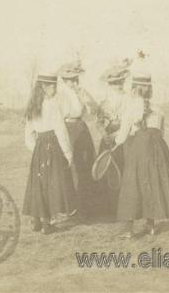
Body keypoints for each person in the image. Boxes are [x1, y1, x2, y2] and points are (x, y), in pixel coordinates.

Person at [114, 72, 169, 238]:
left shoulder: (131, 107)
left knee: (132, 184)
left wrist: (114, 141)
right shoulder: (158, 108)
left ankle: (128, 230)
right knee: (153, 182)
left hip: (140, 147)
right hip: (158, 148)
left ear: (134, 89)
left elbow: (121, 137)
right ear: (150, 89)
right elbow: (161, 131)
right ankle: (150, 225)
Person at [22, 72, 77, 234]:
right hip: (53, 145)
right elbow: (61, 130)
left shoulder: (33, 105)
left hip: (40, 147)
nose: (55, 88)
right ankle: (46, 224)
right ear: (44, 87)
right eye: (53, 86)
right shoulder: (52, 105)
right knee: (51, 184)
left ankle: (37, 221)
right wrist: (68, 153)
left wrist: (35, 149)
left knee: (38, 184)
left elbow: (28, 133)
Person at [58, 62, 97, 220]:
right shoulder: (60, 95)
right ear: (64, 81)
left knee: (85, 164)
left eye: (75, 79)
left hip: (81, 128)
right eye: (70, 80)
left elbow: (93, 110)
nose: (74, 83)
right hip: (67, 128)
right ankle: (71, 206)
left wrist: (86, 99)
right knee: (71, 166)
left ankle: (86, 204)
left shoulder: (82, 92)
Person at [95, 66, 129, 219]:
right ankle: (109, 208)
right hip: (109, 140)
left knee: (126, 170)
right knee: (108, 172)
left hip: (125, 138)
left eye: (120, 81)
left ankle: (127, 206)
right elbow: (99, 123)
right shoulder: (104, 103)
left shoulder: (130, 100)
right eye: (115, 83)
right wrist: (104, 135)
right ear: (109, 84)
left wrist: (120, 134)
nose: (118, 85)